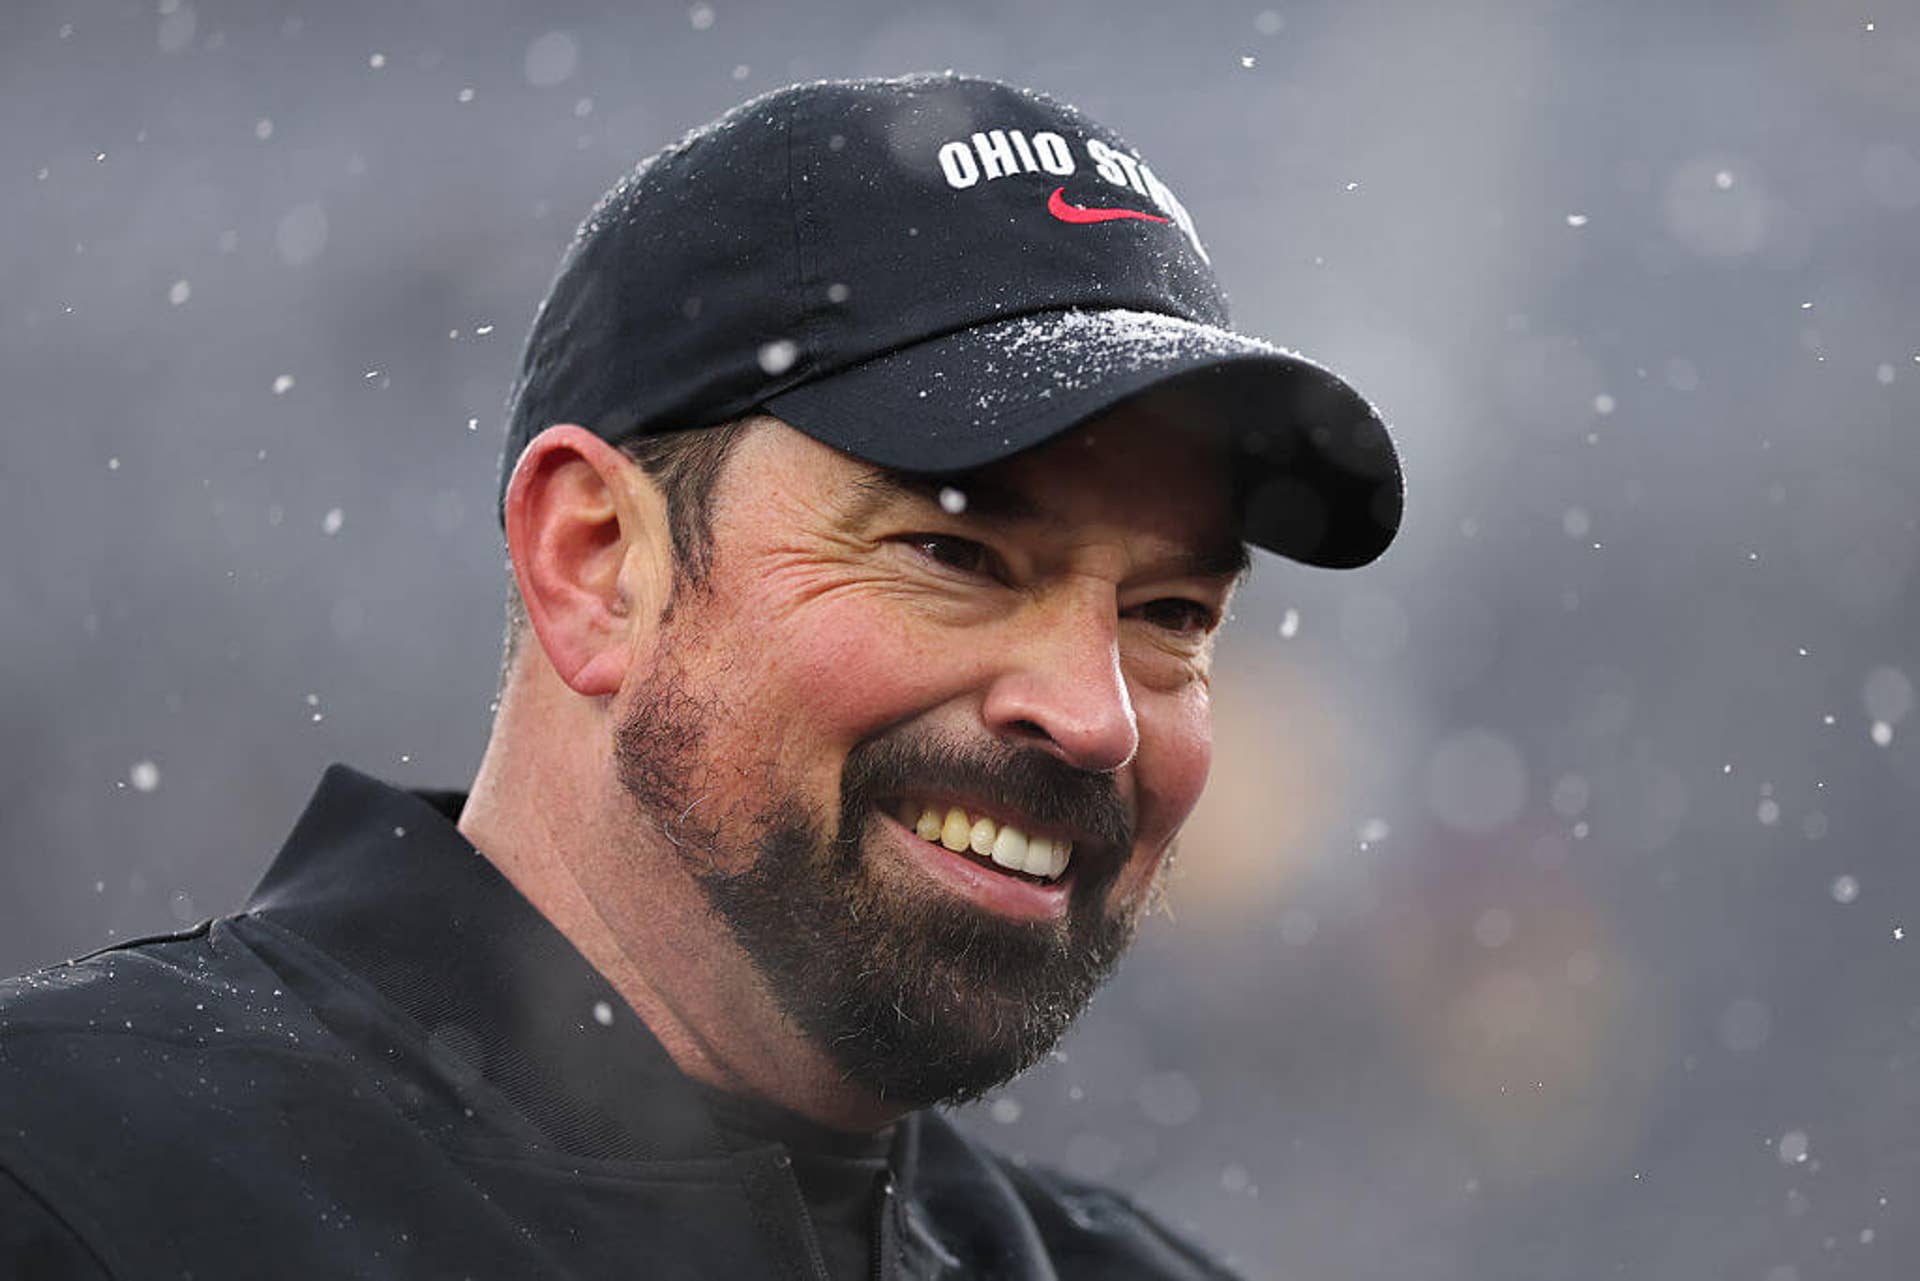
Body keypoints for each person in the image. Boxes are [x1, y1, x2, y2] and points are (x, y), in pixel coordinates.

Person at [0, 73, 1400, 1279]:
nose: (1092, 714)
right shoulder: (66, 1179)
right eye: (956, 557)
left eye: (1170, 612)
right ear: (596, 561)